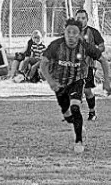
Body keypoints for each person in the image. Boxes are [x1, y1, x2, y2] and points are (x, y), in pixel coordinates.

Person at [40, 18, 105, 153]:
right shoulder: (56, 45)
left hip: (77, 80)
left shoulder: (85, 47)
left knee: (75, 107)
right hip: (60, 83)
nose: (71, 35)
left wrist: (107, 82)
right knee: (68, 115)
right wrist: (51, 81)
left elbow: (103, 59)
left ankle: (79, 141)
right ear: (64, 32)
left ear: (80, 34)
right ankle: (75, 123)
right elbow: (43, 63)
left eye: (75, 32)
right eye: (68, 32)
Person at [75, 9, 111, 121]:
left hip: (88, 65)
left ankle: (92, 112)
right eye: (78, 18)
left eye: (83, 18)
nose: (81, 20)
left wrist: (94, 51)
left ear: (87, 19)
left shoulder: (93, 32)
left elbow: (102, 47)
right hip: (74, 66)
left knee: (87, 90)